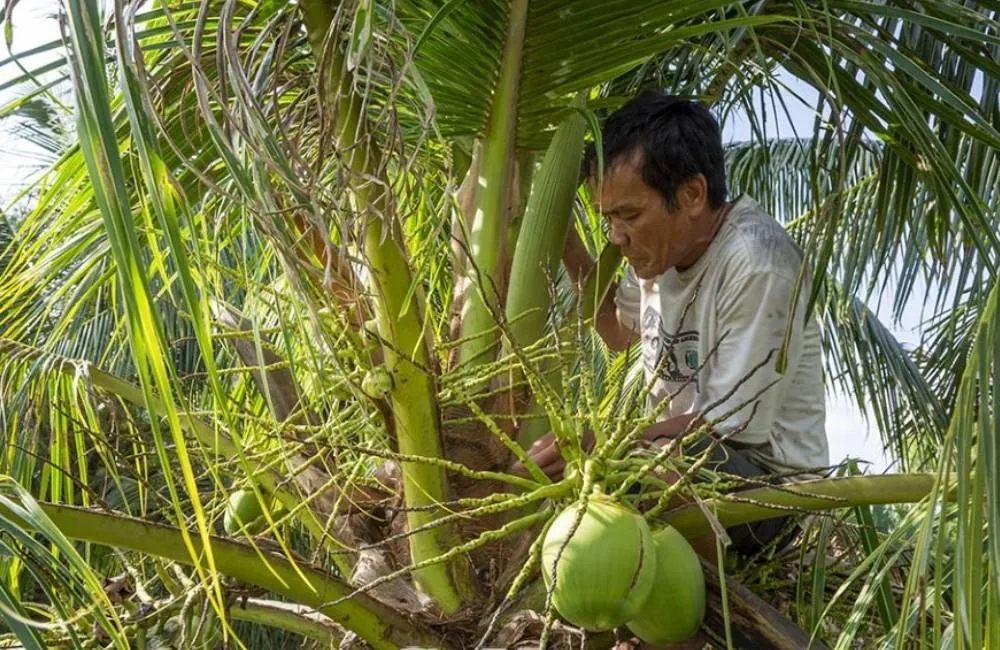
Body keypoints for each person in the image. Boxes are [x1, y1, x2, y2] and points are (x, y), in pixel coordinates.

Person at [513, 91, 830, 565]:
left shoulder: (757, 263)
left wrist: (598, 444)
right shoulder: (659, 256)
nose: (616, 237)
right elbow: (614, 330)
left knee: (647, 472)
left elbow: (729, 428)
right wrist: (555, 228)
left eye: (630, 216)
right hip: (675, 454)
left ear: (692, 194)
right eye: (609, 220)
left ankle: (687, 629)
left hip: (772, 490)